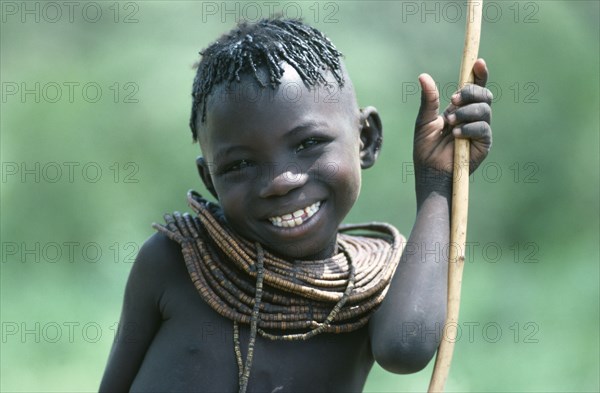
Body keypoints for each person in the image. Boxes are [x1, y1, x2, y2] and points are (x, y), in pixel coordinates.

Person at [99, 17, 492, 392]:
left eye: (308, 144)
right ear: (210, 181)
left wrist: (437, 185)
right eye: (240, 165)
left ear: (366, 139)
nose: (280, 183)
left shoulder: (366, 287)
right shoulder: (176, 261)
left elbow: (405, 348)